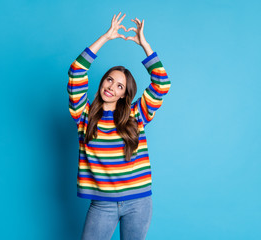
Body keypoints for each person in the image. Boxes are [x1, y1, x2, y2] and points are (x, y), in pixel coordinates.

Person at [67, 12, 171, 240]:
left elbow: (162, 84)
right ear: (103, 81)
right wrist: (105, 38)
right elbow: (76, 72)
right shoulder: (83, 115)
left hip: (139, 202)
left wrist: (145, 45)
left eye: (120, 86)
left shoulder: (137, 114)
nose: (112, 87)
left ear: (125, 94)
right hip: (102, 203)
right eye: (109, 80)